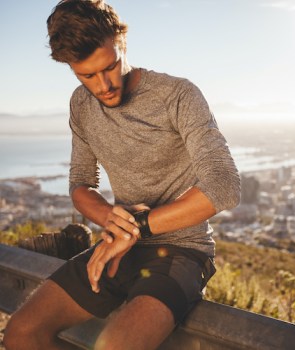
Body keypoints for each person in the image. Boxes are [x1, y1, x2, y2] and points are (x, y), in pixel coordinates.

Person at [4, 0, 240, 349]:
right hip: (119, 246)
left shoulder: (177, 95)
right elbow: (80, 184)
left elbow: (224, 186)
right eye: (87, 75)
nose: (104, 86)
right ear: (69, 67)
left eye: (110, 67)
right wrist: (109, 220)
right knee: (21, 333)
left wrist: (136, 226)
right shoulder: (81, 105)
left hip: (182, 251)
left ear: (122, 42)